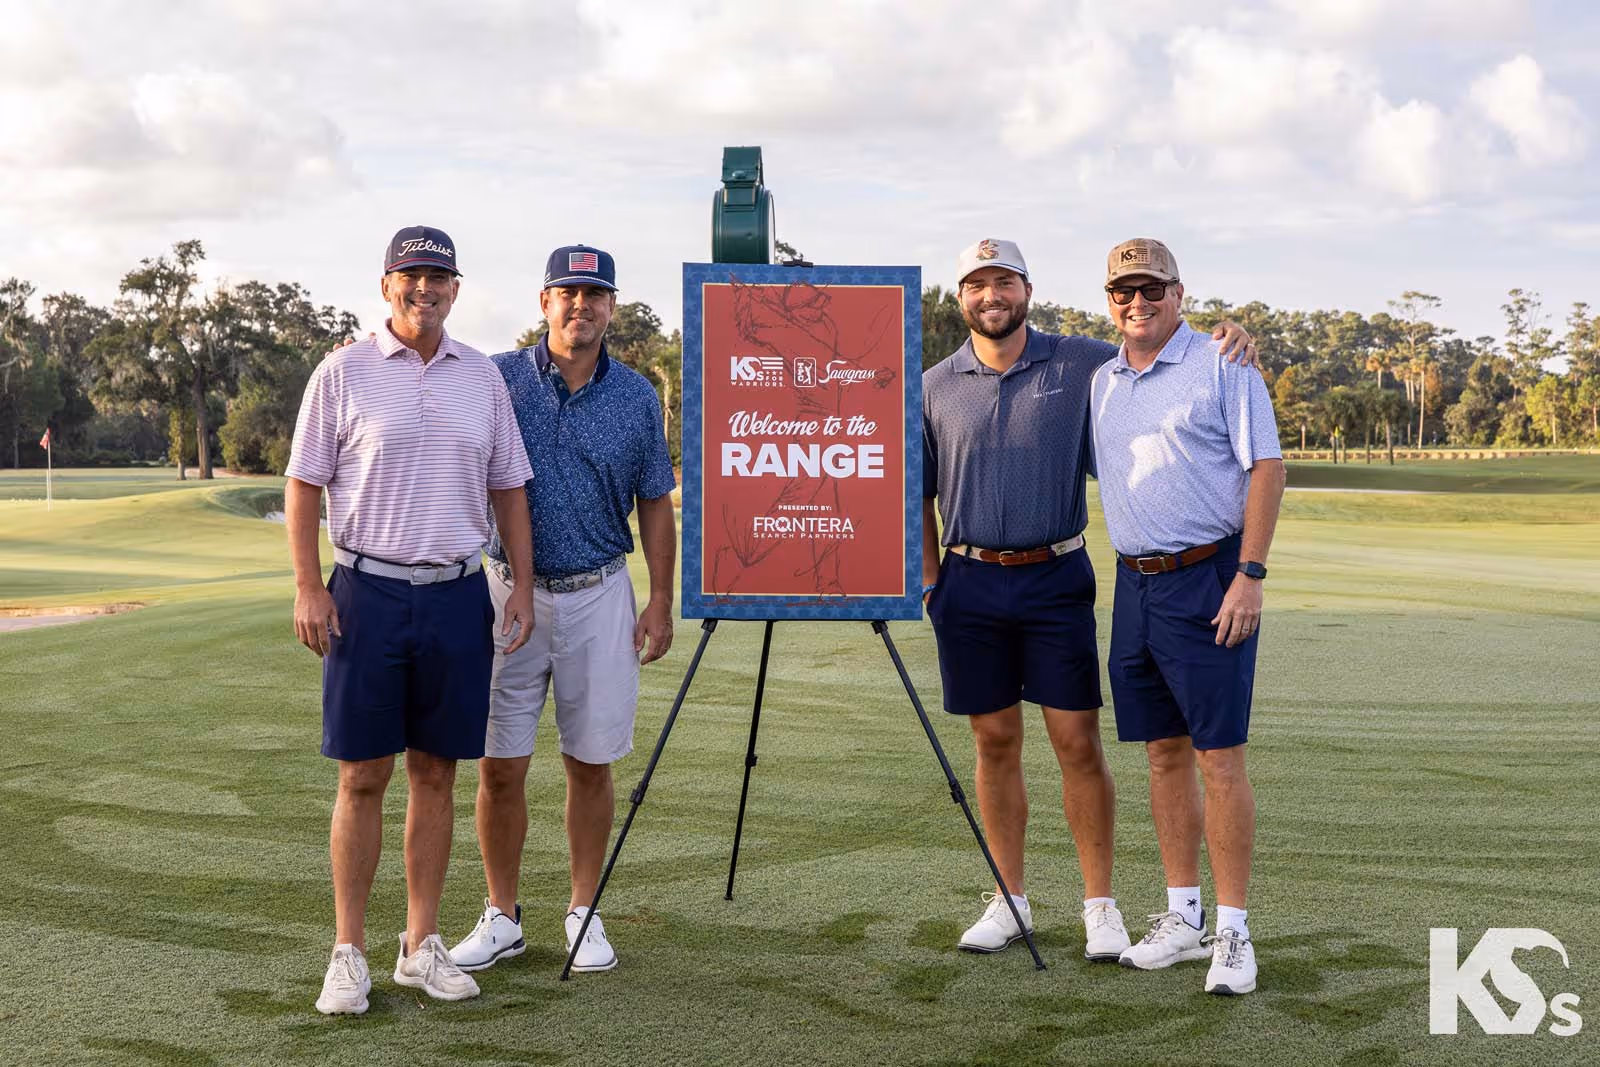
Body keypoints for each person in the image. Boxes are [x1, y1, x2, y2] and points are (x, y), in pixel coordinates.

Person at [921, 238, 1256, 961]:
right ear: (961, 298)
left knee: (1077, 742)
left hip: (1055, 576)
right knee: (993, 740)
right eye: (977, 284)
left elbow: (1161, 343)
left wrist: (1231, 335)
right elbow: (917, 491)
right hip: (969, 580)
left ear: (1027, 289)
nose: (991, 295)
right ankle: (1010, 898)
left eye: (1003, 281)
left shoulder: (1081, 363)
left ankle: (1099, 904)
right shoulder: (935, 383)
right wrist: (930, 579)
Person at [287, 225, 535, 1015]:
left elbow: (509, 490)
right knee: (362, 775)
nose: (424, 288)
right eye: (410, 275)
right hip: (367, 592)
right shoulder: (343, 372)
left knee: (437, 772)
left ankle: (420, 946)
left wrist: (521, 585)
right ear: (386, 284)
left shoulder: (482, 379)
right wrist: (307, 585)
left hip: (459, 592)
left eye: (438, 277)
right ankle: (348, 952)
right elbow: (303, 484)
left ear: (456, 289)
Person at [450, 245, 677, 975]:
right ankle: (501, 913)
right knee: (499, 764)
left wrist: (662, 601)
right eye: (567, 293)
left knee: (591, 762)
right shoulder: (495, 377)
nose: (580, 306)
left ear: (611, 306)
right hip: (503, 593)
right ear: (544, 302)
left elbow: (655, 505)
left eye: (594, 294)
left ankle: (584, 910)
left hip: (600, 593)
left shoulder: (638, 396)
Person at [1089, 237, 1285, 995]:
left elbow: (1267, 466)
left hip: (1209, 579)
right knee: (1163, 754)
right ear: (1109, 301)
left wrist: (1251, 574)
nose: (1136, 302)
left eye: (1151, 288)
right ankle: (1184, 916)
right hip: (1133, 589)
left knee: (1219, 757)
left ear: (1179, 292)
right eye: (1122, 291)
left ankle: (1234, 933)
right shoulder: (1101, 376)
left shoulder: (1222, 361)